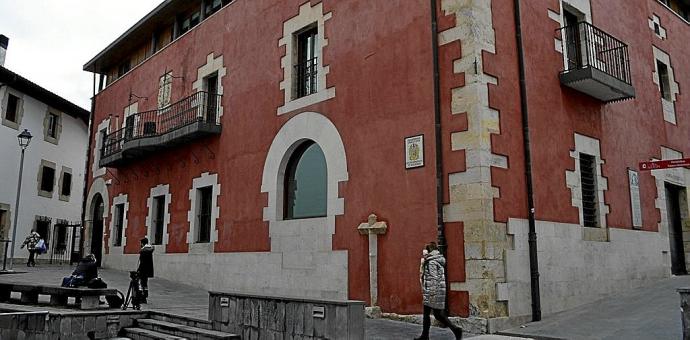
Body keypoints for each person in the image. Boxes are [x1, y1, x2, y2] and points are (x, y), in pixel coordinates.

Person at [415, 242, 463, 340]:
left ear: (429, 251)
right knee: (437, 315)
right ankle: (455, 330)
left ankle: (425, 336)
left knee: (427, 314)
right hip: (437, 291)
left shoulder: (431, 262)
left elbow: (433, 278)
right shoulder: (437, 260)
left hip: (432, 292)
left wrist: (431, 293)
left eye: (426, 251)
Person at [137, 237, 154, 303]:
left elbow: (142, 262)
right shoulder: (149, 250)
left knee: (141, 284)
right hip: (148, 270)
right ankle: (145, 296)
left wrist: (139, 269)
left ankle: (142, 297)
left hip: (143, 270)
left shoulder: (143, 251)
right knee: (145, 283)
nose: (140, 244)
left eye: (141, 243)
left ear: (142, 243)